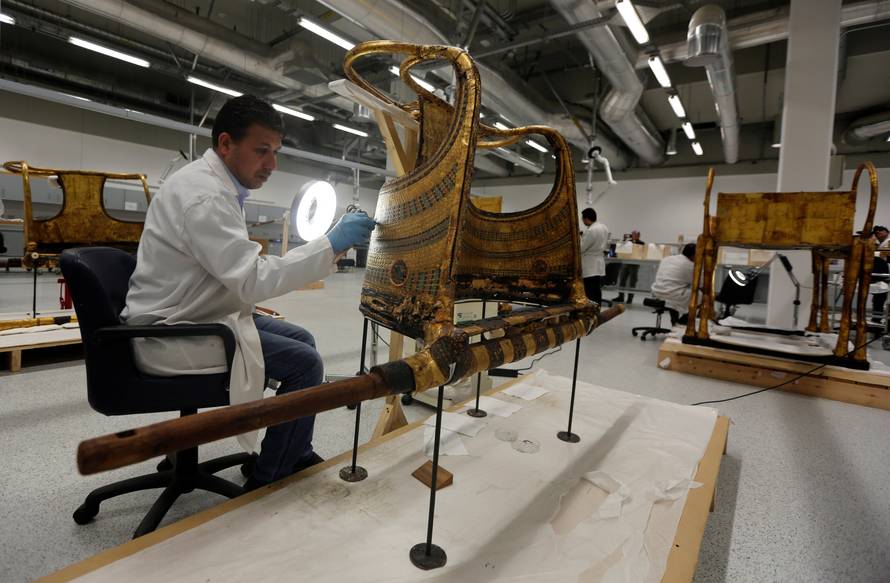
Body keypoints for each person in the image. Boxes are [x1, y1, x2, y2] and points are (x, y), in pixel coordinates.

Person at [122, 95, 375, 491]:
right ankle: (270, 478)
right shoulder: (204, 196)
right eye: (262, 151)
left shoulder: (215, 186)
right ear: (225, 144)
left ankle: (293, 448)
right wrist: (330, 243)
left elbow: (234, 273)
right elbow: (252, 279)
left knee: (301, 338)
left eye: (275, 152)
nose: (272, 165)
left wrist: (327, 248)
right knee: (305, 364)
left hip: (195, 312)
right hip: (172, 331)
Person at [651, 243, 697, 325]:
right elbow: (698, 284)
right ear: (694, 255)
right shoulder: (690, 265)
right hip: (671, 295)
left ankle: (674, 322)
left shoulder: (667, 258)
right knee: (699, 296)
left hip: (656, 293)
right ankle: (681, 323)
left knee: (675, 294)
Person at [580, 207, 609, 304]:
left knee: (589, 292)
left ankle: (589, 314)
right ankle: (596, 311)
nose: (583, 221)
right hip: (599, 264)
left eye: (582, 219)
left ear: (586, 219)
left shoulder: (590, 230)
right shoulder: (604, 227)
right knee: (597, 291)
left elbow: (581, 248)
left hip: (589, 265)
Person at [611, 230, 645, 304]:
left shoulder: (641, 243)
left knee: (632, 282)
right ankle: (620, 297)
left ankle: (630, 298)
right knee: (622, 280)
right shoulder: (627, 241)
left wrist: (634, 242)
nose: (633, 236)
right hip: (625, 263)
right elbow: (621, 248)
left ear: (639, 236)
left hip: (635, 264)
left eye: (635, 235)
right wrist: (624, 240)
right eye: (632, 234)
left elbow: (641, 252)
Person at [871, 225, 889, 322]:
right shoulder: (881, 244)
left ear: (886, 231)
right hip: (881, 277)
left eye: (881, 231)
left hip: (885, 276)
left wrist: (873, 251)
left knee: (880, 299)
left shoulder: (889, 241)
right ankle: (876, 320)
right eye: (877, 233)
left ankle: (878, 321)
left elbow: (884, 255)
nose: (879, 234)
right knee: (878, 299)